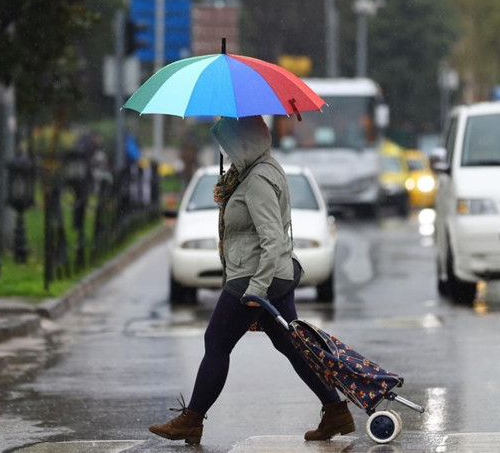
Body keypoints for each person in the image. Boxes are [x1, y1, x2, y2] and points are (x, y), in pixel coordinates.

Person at [148, 116, 354, 445]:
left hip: (257, 277)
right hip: (272, 275)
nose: (225, 151)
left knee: (216, 342)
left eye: (229, 143)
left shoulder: (257, 178)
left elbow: (271, 238)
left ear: (244, 142)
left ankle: (192, 420)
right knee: (293, 346)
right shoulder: (253, 172)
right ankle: (335, 409)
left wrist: (256, 291)